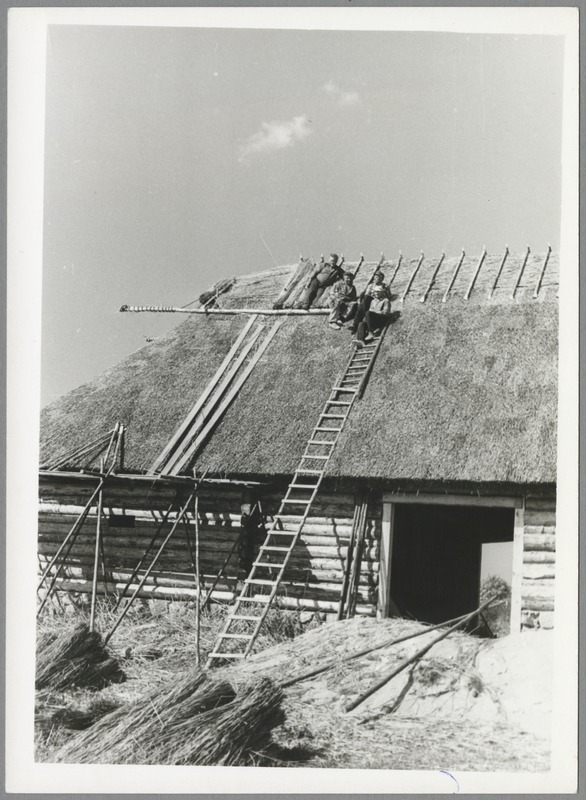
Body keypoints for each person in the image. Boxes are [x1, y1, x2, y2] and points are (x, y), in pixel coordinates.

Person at [353, 275, 391, 347]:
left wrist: (374, 313)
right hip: (374, 320)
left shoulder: (386, 300)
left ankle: (371, 333)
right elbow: (370, 312)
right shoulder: (373, 301)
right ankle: (360, 341)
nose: (376, 293)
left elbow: (386, 312)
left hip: (382, 319)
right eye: (375, 292)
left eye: (378, 292)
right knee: (361, 323)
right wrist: (368, 319)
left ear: (382, 292)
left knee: (368, 313)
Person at [348, 270, 388, 335]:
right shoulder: (371, 285)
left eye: (377, 277)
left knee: (365, 301)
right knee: (364, 300)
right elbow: (367, 294)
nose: (375, 279)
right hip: (369, 301)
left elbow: (388, 296)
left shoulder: (384, 286)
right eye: (375, 277)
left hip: (378, 300)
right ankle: (356, 324)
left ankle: (356, 325)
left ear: (381, 278)